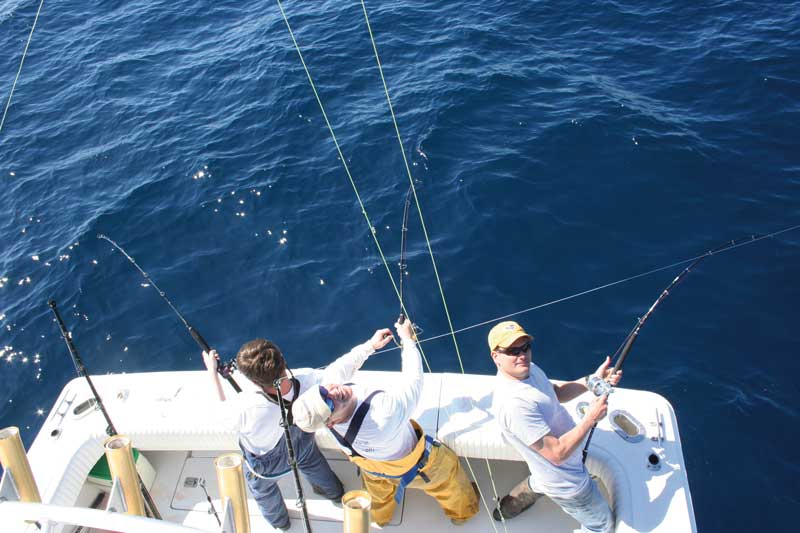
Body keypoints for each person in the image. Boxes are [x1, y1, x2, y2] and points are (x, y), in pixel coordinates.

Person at [290, 320, 479, 527]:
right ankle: (463, 513)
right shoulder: (382, 416)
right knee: (448, 477)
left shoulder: (328, 391)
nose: (333, 392)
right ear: (331, 423)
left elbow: (343, 366)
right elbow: (413, 381)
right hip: (415, 464)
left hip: (372, 468)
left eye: (323, 392)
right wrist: (408, 340)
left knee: (378, 500)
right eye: (329, 404)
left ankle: (379, 520)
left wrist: (371, 345)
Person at [202, 329, 394, 531]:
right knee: (313, 463)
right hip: (302, 445)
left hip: (266, 464)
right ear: (282, 361)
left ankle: (281, 523)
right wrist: (371, 345)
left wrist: (212, 373)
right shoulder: (309, 380)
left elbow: (220, 413)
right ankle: (335, 493)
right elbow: (342, 368)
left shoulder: (246, 407)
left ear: (252, 381)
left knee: (264, 491)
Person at [488, 320, 622, 533]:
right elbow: (557, 453)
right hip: (567, 484)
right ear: (496, 356)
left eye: (525, 347)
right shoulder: (514, 404)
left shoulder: (529, 370)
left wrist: (592, 381)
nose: (522, 355)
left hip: (548, 472)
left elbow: (556, 393)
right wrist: (590, 419)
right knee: (602, 526)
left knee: (540, 481)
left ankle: (507, 508)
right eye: (512, 351)